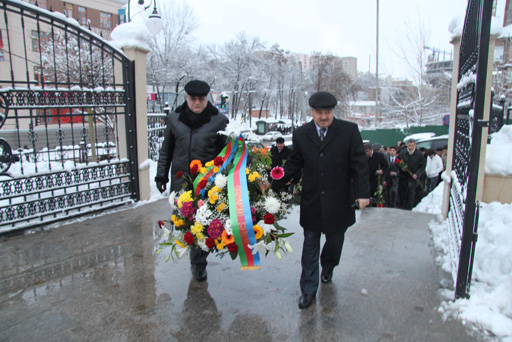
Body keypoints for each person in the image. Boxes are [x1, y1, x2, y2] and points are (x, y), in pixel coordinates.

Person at [266, 91, 370, 309]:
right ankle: (308, 289)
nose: (324, 117)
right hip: (313, 200)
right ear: (311, 111)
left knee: (334, 242)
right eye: (319, 112)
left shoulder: (349, 131)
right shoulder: (302, 134)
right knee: (310, 245)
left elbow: (359, 164)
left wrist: (362, 194)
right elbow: (294, 163)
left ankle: (329, 265)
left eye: (328, 112)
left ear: (333, 111)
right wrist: (273, 180)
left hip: (340, 201)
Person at [154, 80, 229, 282]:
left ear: (207, 98)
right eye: (192, 98)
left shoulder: (219, 121)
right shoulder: (175, 118)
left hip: (206, 186)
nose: (197, 102)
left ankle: (199, 264)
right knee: (185, 222)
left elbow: (227, 155)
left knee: (202, 223)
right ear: (186, 98)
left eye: (201, 99)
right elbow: (166, 149)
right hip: (180, 184)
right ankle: (195, 258)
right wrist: (161, 174)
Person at [397, 139, 425, 210]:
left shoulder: (419, 155)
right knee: (402, 194)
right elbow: (397, 162)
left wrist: (417, 174)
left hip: (413, 177)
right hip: (403, 177)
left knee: (411, 194)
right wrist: (401, 167)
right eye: (409, 145)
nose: (410, 147)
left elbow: (422, 167)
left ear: (415, 146)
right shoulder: (402, 153)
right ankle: (402, 207)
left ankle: (409, 208)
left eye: (412, 146)